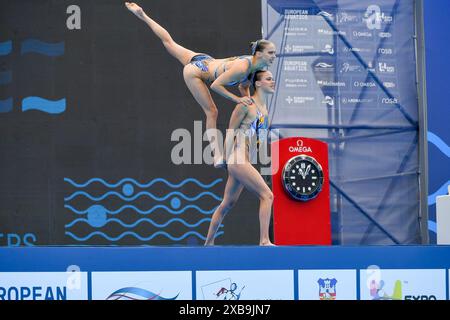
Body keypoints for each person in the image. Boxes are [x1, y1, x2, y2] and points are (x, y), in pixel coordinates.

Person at [125, 2, 277, 167]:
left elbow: (243, 86)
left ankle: (142, 15)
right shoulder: (243, 67)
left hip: (205, 60)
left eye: (274, 53)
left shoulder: (254, 68)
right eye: (271, 53)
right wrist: (238, 100)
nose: (274, 56)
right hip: (195, 72)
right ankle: (217, 156)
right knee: (212, 111)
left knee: (169, 42)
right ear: (259, 54)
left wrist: (249, 103)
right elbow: (216, 86)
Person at [204, 70, 276, 246]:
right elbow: (230, 132)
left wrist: (245, 86)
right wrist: (223, 157)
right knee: (267, 195)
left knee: (227, 204)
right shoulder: (245, 106)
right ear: (258, 84)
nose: (272, 81)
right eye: (268, 79)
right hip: (237, 159)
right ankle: (264, 240)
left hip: (244, 160)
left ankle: (208, 243)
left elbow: (243, 85)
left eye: (272, 78)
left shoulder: (262, 109)